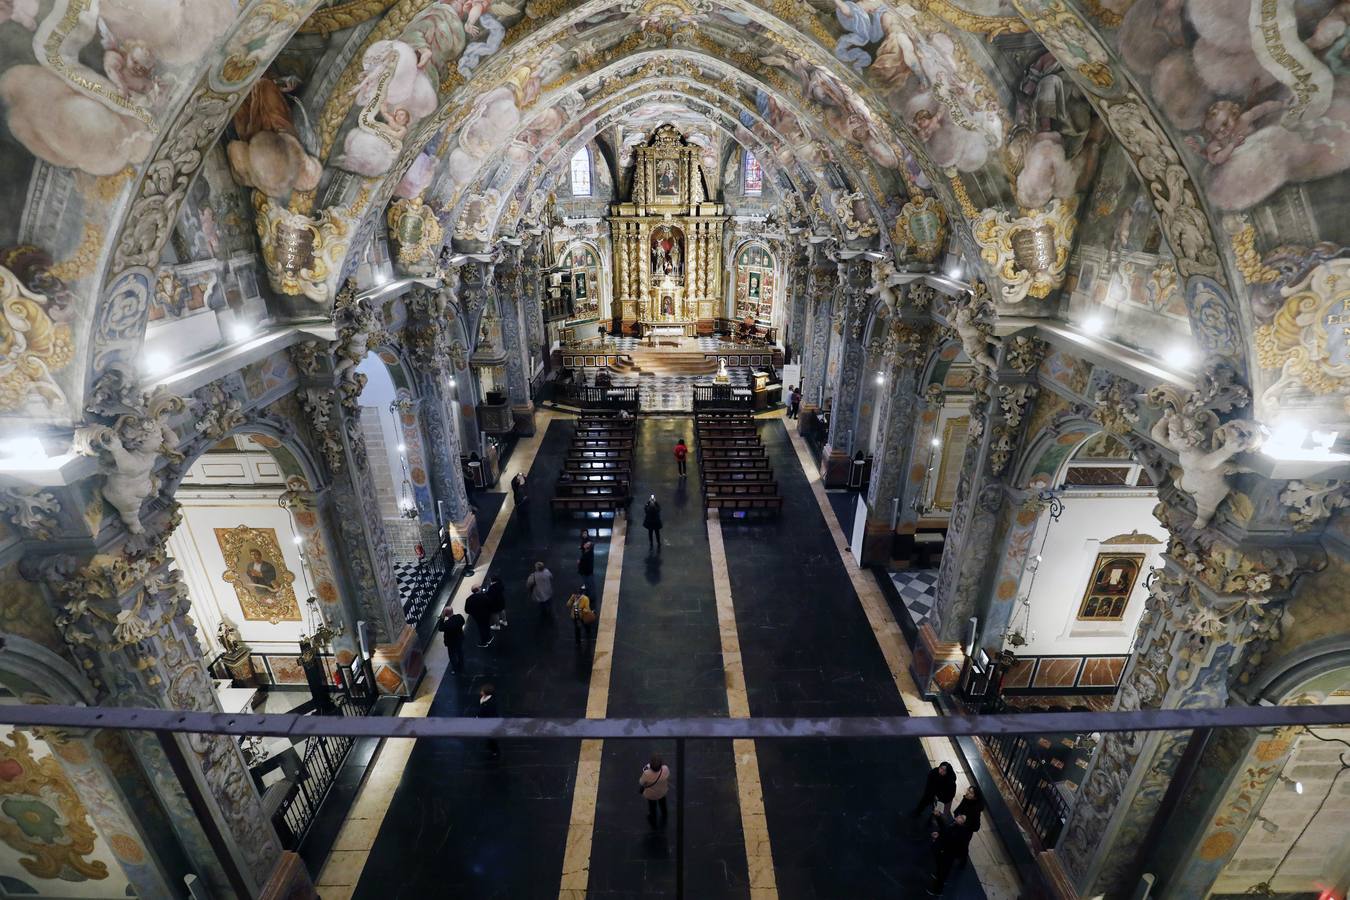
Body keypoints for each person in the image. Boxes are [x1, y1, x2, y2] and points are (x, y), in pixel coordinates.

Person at [927, 811, 976, 895]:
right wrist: (939, 834)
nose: (959, 816)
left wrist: (939, 838)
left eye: (962, 818)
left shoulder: (961, 833)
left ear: (964, 823)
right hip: (944, 852)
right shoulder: (954, 824)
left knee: (943, 872)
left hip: (948, 854)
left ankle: (937, 890)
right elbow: (946, 831)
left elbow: (950, 839)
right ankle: (938, 876)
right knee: (940, 866)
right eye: (960, 815)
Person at [638, 753, 671, 827]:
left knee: (652, 807)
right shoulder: (665, 769)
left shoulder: (647, 773)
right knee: (663, 804)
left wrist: (646, 768)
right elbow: (668, 775)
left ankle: (653, 821)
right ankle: (664, 815)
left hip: (651, 795)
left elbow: (641, 782)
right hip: (662, 792)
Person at [437, 608, 465, 674]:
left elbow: (440, 628)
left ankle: (455, 669)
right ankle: (461, 663)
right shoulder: (459, 617)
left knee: (452, 655)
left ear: (446, 614)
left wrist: (442, 618)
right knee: (459, 651)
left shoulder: (447, 623)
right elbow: (463, 622)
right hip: (460, 638)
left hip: (451, 642)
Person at [478, 683, 500, 759]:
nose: (480, 692)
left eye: (482, 691)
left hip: (490, 722)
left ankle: (495, 751)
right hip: (486, 720)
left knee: (491, 737)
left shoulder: (490, 703)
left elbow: (490, 713)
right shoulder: (484, 699)